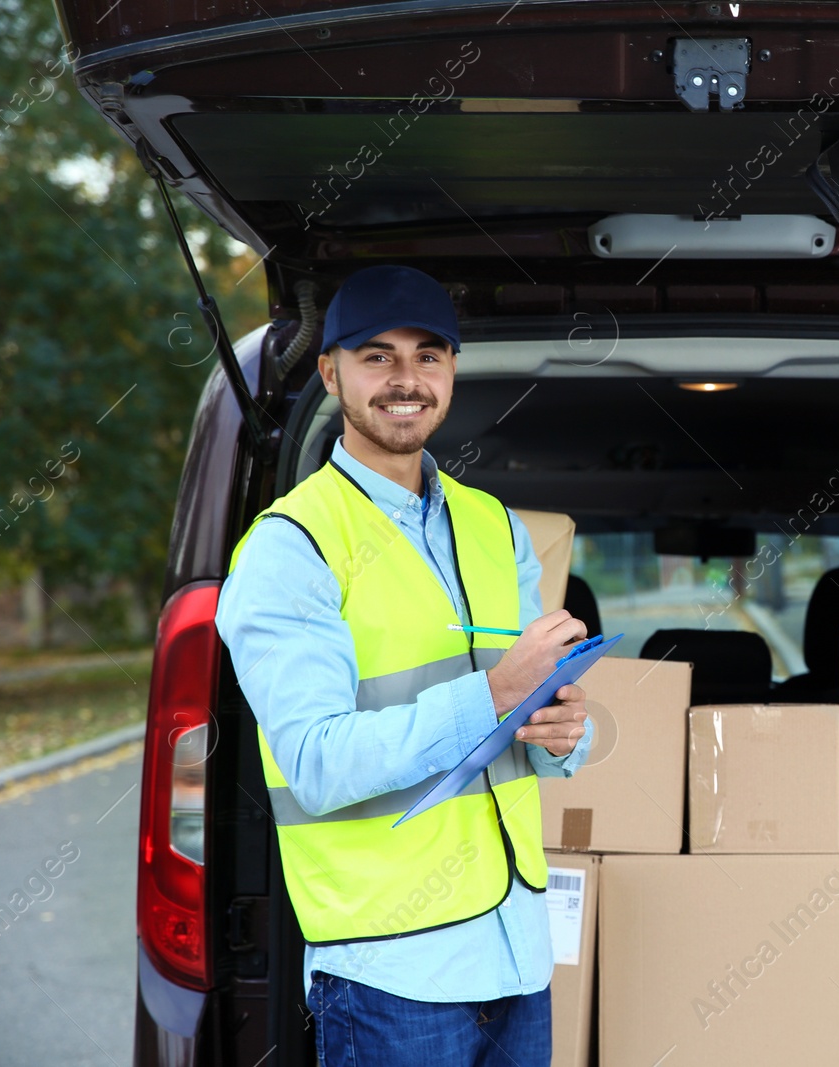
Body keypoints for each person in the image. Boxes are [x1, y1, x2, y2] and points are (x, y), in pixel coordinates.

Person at [217, 264, 591, 1067]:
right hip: (392, 970)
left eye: (428, 355)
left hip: (517, 953)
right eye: (377, 356)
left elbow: (519, 720)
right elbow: (316, 762)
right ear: (331, 373)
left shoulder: (494, 525)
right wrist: (495, 691)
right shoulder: (293, 546)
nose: (406, 379)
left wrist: (562, 735)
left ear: (452, 369)